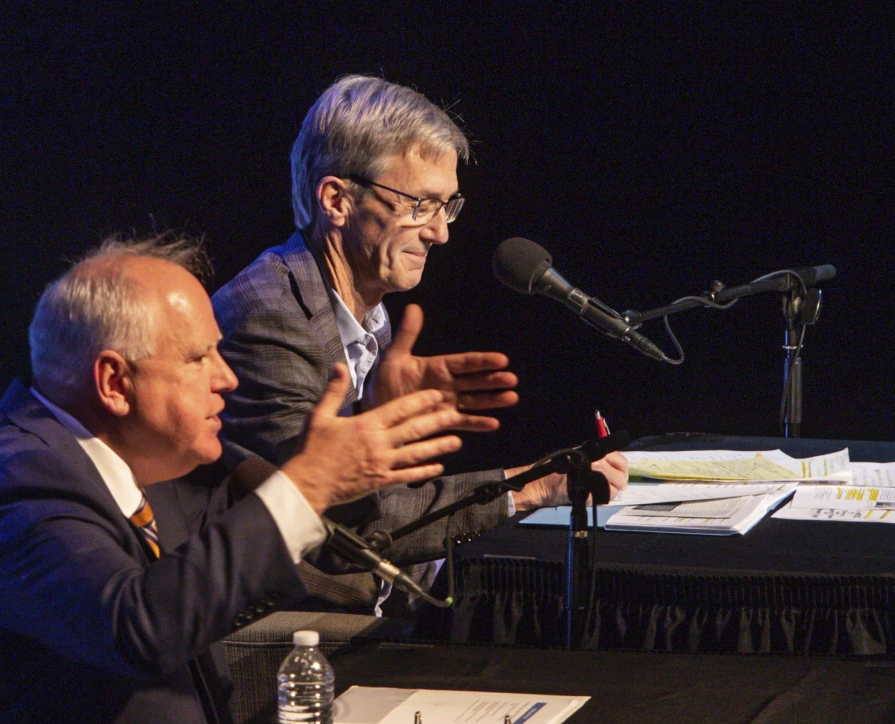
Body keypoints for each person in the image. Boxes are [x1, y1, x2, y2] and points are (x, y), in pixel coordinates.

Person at [0, 235, 480, 724]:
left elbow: (290, 538)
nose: (227, 379)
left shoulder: (156, 465)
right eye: (199, 358)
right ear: (114, 382)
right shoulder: (13, 480)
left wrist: (363, 432)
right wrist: (308, 481)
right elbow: (138, 628)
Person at [212, 74, 628, 612]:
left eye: (446, 206)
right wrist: (528, 488)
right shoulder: (266, 317)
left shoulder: (370, 313)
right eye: (420, 205)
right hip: (288, 638)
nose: (440, 233)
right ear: (337, 199)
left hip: (377, 609)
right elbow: (347, 525)